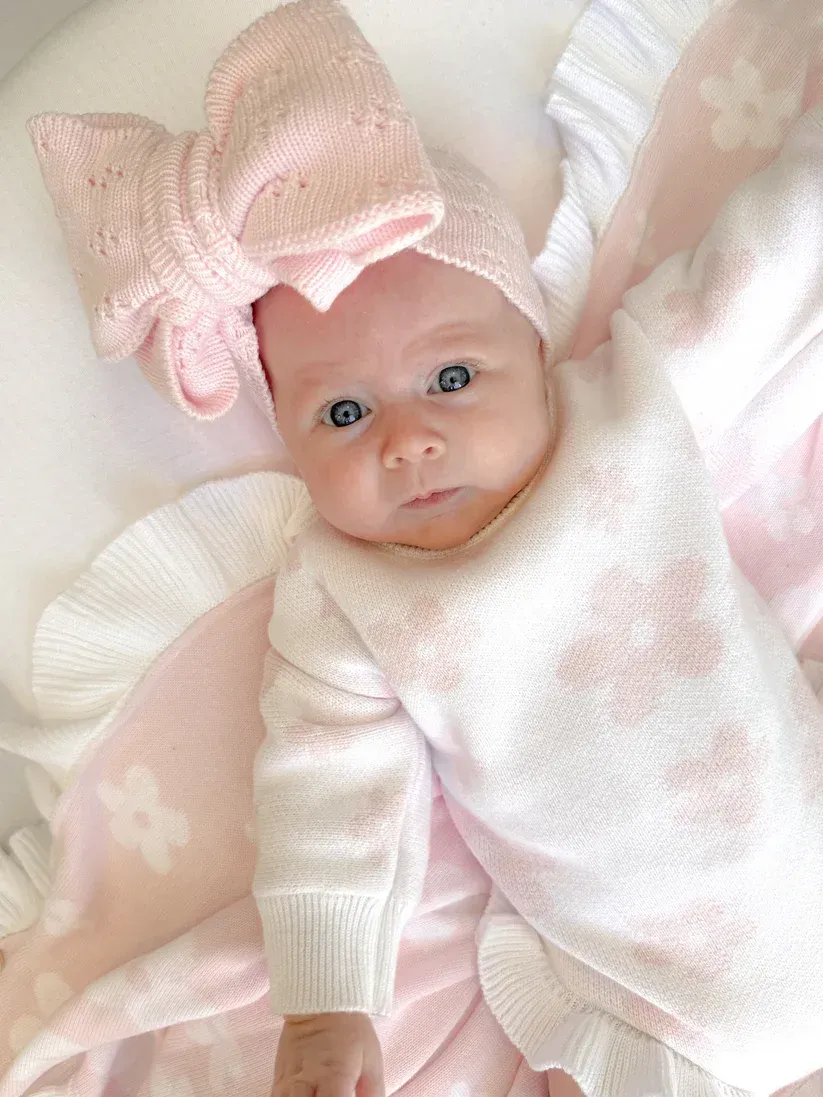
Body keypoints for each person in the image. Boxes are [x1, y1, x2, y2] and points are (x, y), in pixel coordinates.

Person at [29, 2, 823, 1096]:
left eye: (451, 378)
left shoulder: (633, 406)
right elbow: (326, 793)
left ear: (531, 349)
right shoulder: (344, 593)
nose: (405, 439)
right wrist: (325, 1001)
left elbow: (771, 266)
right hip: (642, 1001)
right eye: (343, 414)